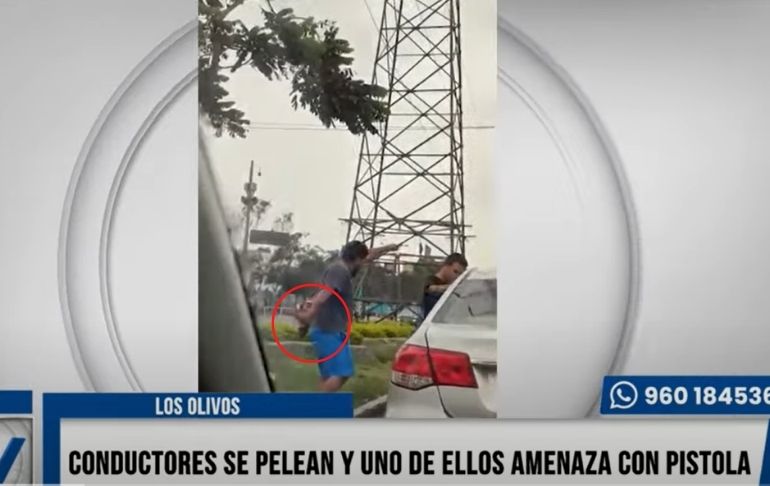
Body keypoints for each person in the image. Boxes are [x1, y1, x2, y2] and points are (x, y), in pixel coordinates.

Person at [291, 240, 399, 392]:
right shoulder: (339, 271)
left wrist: (388, 248)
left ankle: (319, 411)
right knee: (342, 373)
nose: (363, 265)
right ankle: (312, 409)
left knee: (329, 376)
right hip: (328, 331)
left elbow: (369, 255)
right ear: (355, 259)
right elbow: (323, 296)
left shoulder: (343, 267)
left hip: (332, 330)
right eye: (361, 262)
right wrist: (307, 317)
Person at [422, 253, 468, 318]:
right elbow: (430, 289)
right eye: (455, 272)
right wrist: (454, 287)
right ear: (446, 266)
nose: (457, 277)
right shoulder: (431, 280)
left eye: (460, 275)